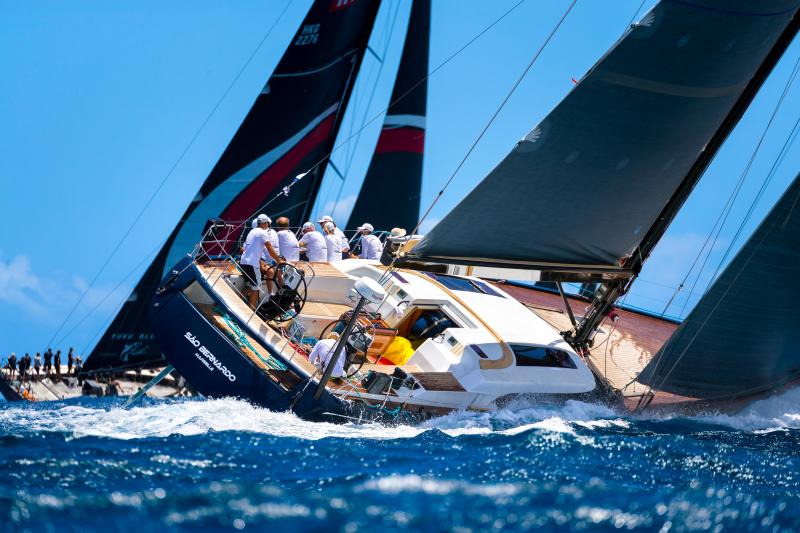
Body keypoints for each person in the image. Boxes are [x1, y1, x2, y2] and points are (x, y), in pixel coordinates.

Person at [240, 214, 282, 309]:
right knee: (256, 288)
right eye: (267, 223)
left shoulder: (252, 231)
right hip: (252, 264)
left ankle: (236, 306)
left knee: (248, 286)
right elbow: (270, 248)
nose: (268, 225)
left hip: (243, 263)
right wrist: (279, 261)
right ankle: (251, 311)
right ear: (265, 223)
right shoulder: (263, 233)